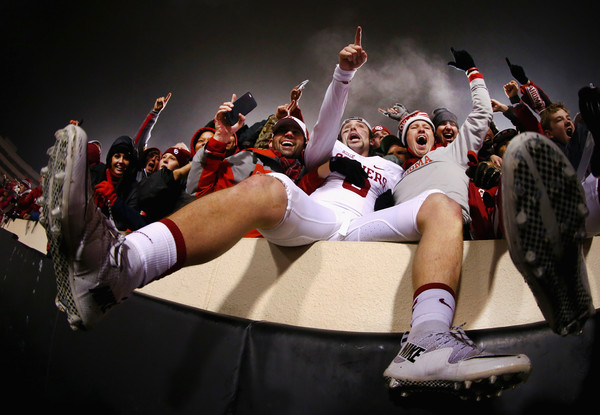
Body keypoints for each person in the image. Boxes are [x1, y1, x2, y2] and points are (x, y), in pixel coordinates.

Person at [40, 29, 530, 399]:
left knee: (441, 206)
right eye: (351, 126)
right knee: (271, 185)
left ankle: (426, 342)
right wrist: (344, 77)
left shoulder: (393, 166)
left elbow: (434, 178)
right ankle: (118, 269)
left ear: (385, 140)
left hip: (363, 226)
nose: (355, 129)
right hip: (317, 215)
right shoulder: (330, 144)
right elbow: (323, 131)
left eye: (363, 126)